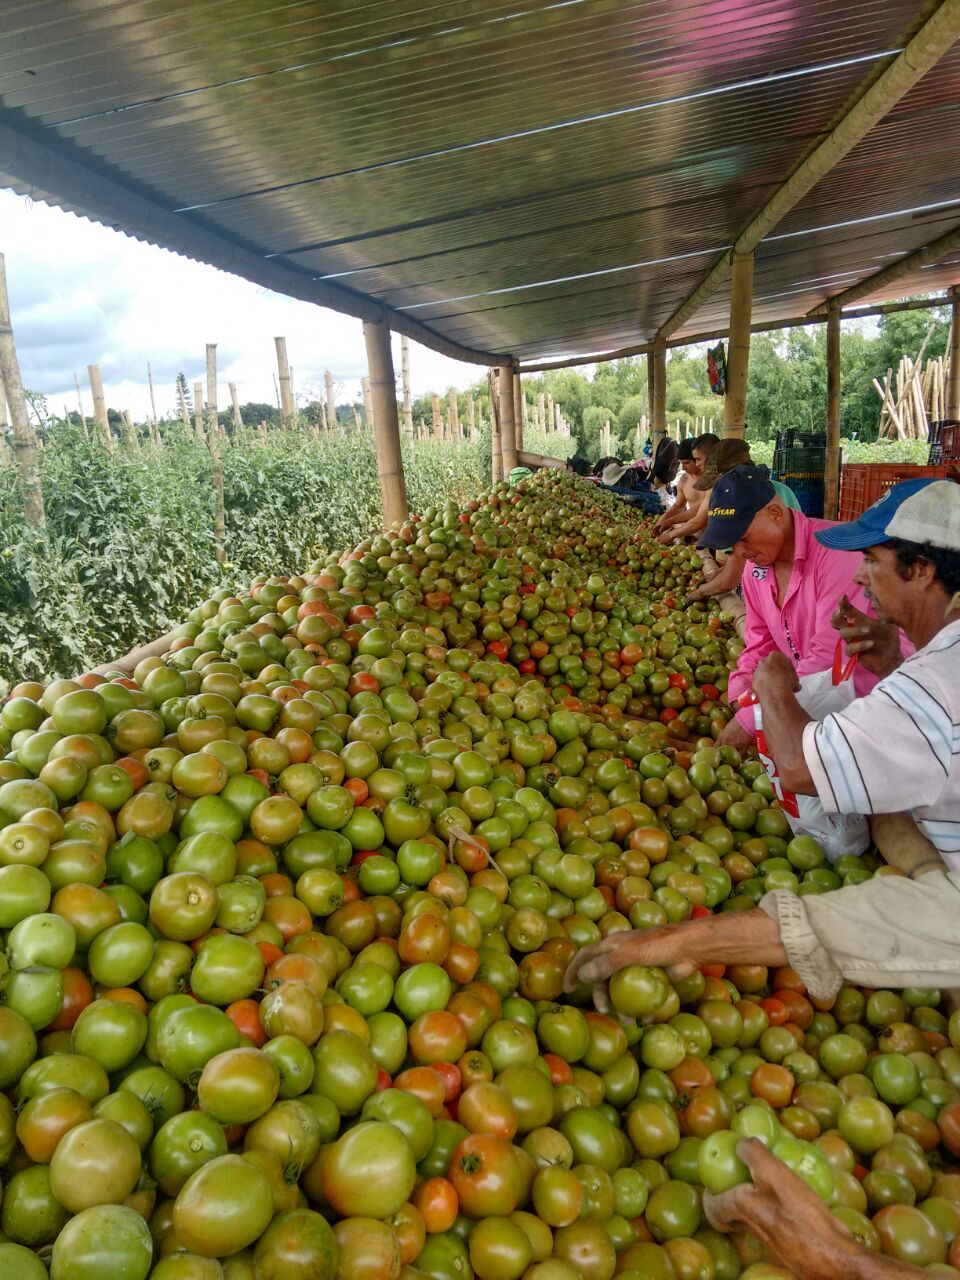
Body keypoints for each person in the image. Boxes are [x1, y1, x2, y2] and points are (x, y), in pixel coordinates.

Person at [564, 479, 960, 1280]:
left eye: (879, 565)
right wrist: (888, 655)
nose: (867, 583)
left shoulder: (936, 691)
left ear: (922, 572)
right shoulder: (934, 662)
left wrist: (771, 690)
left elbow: (801, 763)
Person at [701, 465, 898, 755]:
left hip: (869, 715)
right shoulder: (755, 571)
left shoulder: (837, 554)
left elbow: (831, 659)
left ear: (776, 514)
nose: (739, 552)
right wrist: (740, 693)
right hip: (808, 711)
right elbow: (760, 644)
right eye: (732, 544)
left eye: (743, 538)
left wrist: (751, 719)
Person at [655, 433, 719, 544]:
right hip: (695, 536)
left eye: (687, 463)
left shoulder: (715, 481)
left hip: (716, 538)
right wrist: (664, 518)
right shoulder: (684, 480)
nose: (683, 468)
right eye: (681, 463)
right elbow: (679, 506)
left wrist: (670, 523)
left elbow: (700, 514)